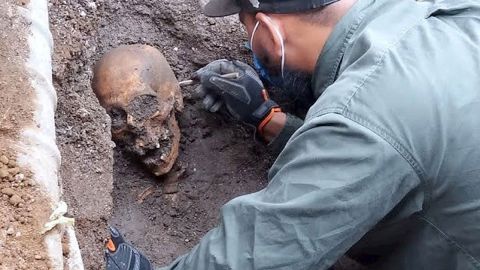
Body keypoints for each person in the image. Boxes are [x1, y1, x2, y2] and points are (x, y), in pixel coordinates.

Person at [105, 0, 480, 269]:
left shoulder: (366, 115)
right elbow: (389, 148)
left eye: (244, 24)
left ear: (267, 28)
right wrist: (267, 119)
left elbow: (266, 247)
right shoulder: (450, 12)